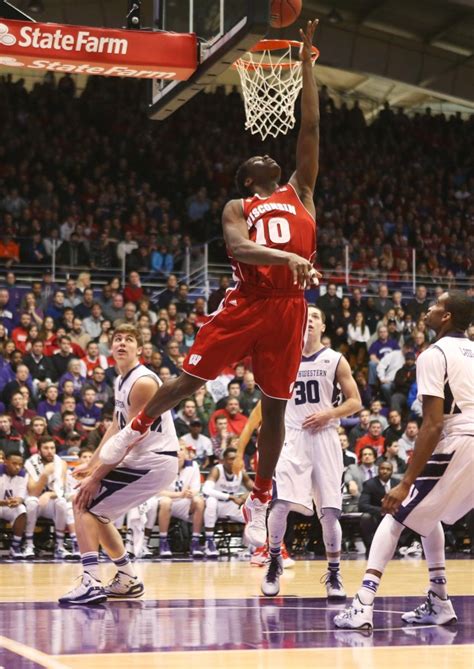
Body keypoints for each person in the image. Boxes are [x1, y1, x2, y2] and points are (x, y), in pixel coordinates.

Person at [99, 20, 321, 548]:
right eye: (258, 160)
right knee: (189, 382)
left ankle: (261, 494)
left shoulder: (301, 192)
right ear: (248, 178)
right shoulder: (238, 205)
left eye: (274, 156)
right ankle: (134, 430)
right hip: (249, 302)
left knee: (275, 409)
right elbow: (241, 249)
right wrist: (288, 255)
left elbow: (309, 130)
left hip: (289, 307)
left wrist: (308, 67)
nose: (271, 154)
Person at [335, 291, 474, 630]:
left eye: (436, 305)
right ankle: (439, 601)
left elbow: (433, 423)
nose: (429, 308)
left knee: (395, 514)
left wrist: (405, 481)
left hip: (457, 439)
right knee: (431, 515)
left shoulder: (434, 354)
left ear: (447, 318)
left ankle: (363, 604)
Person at [59, 324, 179, 605]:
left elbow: (133, 438)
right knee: (97, 513)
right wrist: (92, 462)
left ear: (140, 349)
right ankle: (127, 578)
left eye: (129, 339)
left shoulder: (143, 382)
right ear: (110, 348)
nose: (122, 343)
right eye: (117, 339)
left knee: (83, 502)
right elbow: (117, 426)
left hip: (153, 459)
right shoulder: (121, 380)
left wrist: (96, 477)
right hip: (143, 458)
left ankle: (90, 581)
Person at [260, 306, 362, 598]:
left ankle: (333, 574)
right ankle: (274, 561)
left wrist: (329, 414)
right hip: (292, 437)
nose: (310, 320)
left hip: (325, 437)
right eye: (305, 316)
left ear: (323, 327)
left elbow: (355, 402)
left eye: (316, 316)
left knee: (329, 512)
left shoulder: (335, 360)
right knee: (279, 504)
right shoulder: (283, 357)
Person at [25, 436, 73, 559]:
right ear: (39, 450)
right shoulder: (31, 463)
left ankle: (60, 547)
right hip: (36, 503)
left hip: (51, 503)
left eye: (52, 448)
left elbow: (61, 490)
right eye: (46, 448)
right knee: (31, 502)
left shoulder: (61, 463)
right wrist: (45, 474)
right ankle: (29, 545)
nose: (50, 451)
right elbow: (32, 492)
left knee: (62, 502)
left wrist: (48, 494)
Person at [155, 443, 205, 559]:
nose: (177, 452)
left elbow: (196, 487)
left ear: (186, 453)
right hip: (165, 502)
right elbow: (158, 491)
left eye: (180, 449)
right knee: (166, 501)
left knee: (199, 501)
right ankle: (163, 542)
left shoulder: (193, 465)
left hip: (184, 501)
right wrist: (179, 494)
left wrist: (191, 492)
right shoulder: (163, 465)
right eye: (174, 449)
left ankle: (195, 542)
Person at [202, 447, 254, 557]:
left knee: (251, 511)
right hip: (215, 505)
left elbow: (256, 490)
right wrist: (230, 497)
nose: (234, 461)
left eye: (236, 459)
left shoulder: (241, 472)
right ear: (223, 460)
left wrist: (245, 496)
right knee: (211, 501)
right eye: (231, 459)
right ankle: (209, 542)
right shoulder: (217, 470)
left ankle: (248, 546)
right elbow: (206, 490)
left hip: (231, 506)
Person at [0, 451, 37, 558]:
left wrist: (18, 500)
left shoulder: (23, 474)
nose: (17, 467)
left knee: (21, 510)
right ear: (6, 462)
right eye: (14, 463)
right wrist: (5, 502)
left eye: (20, 464)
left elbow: (21, 495)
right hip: (2, 504)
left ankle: (15, 546)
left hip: (9, 506)